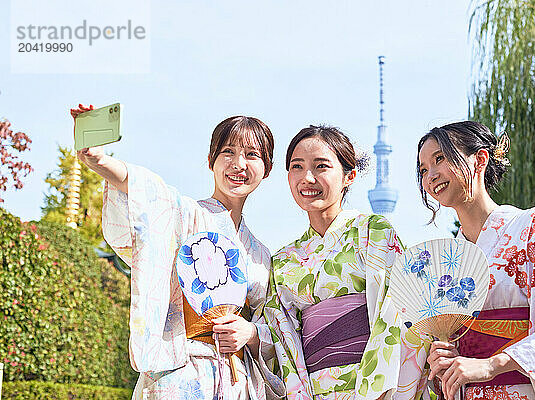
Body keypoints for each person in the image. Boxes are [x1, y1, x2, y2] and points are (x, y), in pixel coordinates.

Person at [73, 105, 284, 400]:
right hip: (182, 369)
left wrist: (249, 333)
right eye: (228, 152)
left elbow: (269, 323)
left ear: (267, 168)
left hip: (240, 380)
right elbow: (148, 193)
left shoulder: (261, 254)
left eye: (252, 155)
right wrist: (100, 161)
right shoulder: (185, 214)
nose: (239, 164)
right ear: (211, 161)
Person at [417, 121, 535, 400]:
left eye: (439, 158)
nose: (430, 175)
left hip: (526, 389)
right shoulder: (446, 263)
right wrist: (446, 358)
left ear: (479, 159)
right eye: (423, 169)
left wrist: (494, 364)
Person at [263, 125, 429, 400]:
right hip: (313, 391)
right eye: (297, 166)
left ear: (348, 176)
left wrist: (373, 392)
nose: (307, 177)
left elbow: (398, 313)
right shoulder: (283, 260)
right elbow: (282, 339)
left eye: (321, 166)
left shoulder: (373, 232)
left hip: (374, 387)